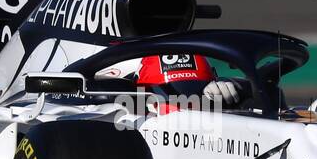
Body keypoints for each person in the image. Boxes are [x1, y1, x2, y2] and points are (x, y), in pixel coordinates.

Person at [97, 54, 248, 111]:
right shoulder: (116, 115)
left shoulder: (218, 101)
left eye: (193, 90)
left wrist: (235, 89)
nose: (184, 100)